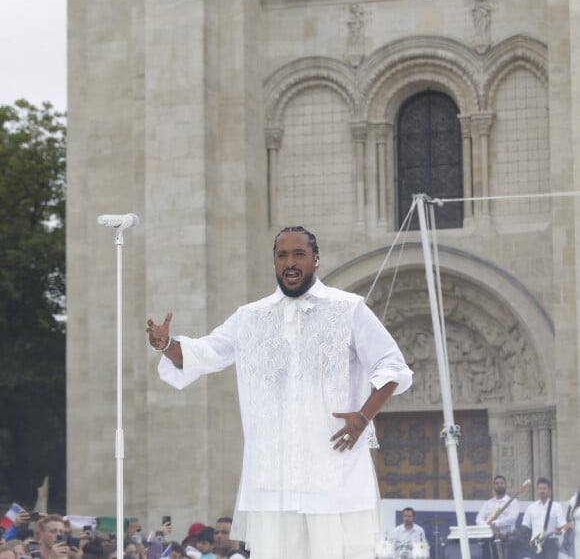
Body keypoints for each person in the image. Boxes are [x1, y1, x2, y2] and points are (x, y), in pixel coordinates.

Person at [146, 226, 413, 559]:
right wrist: (167, 345)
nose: (290, 262)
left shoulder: (349, 309)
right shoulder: (250, 317)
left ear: (316, 260)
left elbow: (392, 367)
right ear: (274, 262)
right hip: (274, 480)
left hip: (331, 473)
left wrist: (362, 418)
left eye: (299, 254)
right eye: (282, 255)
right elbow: (206, 353)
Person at [475, 475, 519, 559]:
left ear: (505, 485)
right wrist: (487, 526)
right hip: (489, 540)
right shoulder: (488, 503)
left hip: (506, 540)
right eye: (497, 483)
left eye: (501, 483)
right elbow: (478, 519)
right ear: (494, 486)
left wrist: (495, 523)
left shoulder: (512, 502)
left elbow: (512, 519)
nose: (499, 485)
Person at [521, 478, 565, 559]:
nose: (542, 491)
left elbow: (563, 526)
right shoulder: (531, 507)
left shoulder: (556, 506)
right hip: (535, 543)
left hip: (550, 542)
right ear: (537, 490)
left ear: (549, 490)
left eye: (544, 488)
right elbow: (525, 525)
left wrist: (559, 531)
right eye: (540, 488)